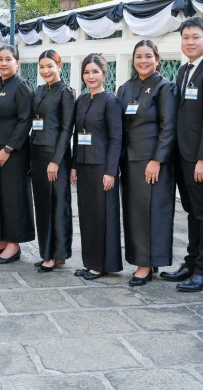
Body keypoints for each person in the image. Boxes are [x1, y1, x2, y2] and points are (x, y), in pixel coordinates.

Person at [162, 18, 203, 292]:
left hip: (199, 158)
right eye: (186, 37)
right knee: (191, 211)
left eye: (195, 37)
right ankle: (191, 262)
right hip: (183, 155)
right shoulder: (184, 70)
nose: (190, 42)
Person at [117, 40, 176, 286]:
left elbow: (168, 126)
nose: (143, 61)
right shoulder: (125, 88)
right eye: (139, 56)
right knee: (134, 213)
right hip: (129, 161)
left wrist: (157, 159)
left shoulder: (165, 87)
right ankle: (144, 259)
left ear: (157, 60)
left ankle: (146, 264)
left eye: (148, 56)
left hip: (152, 162)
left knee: (152, 213)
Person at [71, 53, 123, 280]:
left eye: (95, 72)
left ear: (104, 74)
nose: (90, 76)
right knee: (87, 215)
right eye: (86, 72)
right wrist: (74, 165)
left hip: (102, 167)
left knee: (103, 216)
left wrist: (111, 171)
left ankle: (102, 264)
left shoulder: (111, 101)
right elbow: (77, 135)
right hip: (83, 166)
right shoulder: (81, 100)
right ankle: (90, 262)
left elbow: (116, 138)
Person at [0, 45, 35, 264]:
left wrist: (8, 148)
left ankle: (14, 244)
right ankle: (2, 238)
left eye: (8, 59)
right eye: (0, 59)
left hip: (12, 152)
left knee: (12, 196)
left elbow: (25, 120)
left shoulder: (22, 86)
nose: (4, 63)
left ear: (17, 63)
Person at [29, 50, 75, 273]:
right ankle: (48, 252)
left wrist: (56, 161)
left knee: (57, 206)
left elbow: (67, 129)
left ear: (59, 66)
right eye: (41, 66)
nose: (45, 71)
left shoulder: (66, 92)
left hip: (55, 156)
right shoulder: (40, 90)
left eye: (49, 66)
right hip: (37, 154)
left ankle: (56, 254)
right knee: (42, 206)